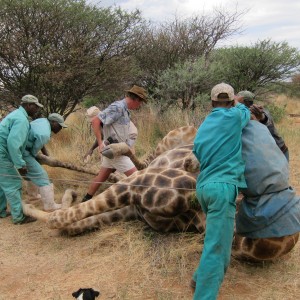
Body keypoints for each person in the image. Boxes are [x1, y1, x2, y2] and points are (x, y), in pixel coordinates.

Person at [192, 83, 250, 299]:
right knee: (217, 248)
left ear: (212, 102)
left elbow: (197, 151)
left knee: (218, 243)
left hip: (204, 188)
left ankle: (198, 278)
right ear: (231, 101)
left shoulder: (204, 125)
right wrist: (238, 103)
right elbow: (245, 111)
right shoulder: (235, 116)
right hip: (223, 189)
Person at [82, 85, 147, 202]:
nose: (140, 105)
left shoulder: (125, 110)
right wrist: (100, 143)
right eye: (140, 102)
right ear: (136, 99)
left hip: (114, 150)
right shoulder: (118, 107)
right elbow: (96, 121)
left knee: (101, 177)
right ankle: (140, 204)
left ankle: (85, 200)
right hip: (115, 151)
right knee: (138, 179)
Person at [0, 95, 43, 224]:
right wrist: (20, 164)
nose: (36, 110)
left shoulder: (17, 115)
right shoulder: (21, 119)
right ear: (29, 105)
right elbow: (13, 143)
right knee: (13, 184)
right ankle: (19, 217)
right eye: (35, 107)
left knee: (2, 183)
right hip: (1, 154)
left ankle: (1, 211)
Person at [24, 113, 68, 211]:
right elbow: (34, 152)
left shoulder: (42, 121)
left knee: (30, 172)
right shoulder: (44, 133)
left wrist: (47, 155)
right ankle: (49, 205)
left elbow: (39, 142)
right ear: (53, 122)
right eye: (59, 125)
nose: (60, 128)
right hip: (24, 150)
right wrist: (44, 159)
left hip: (21, 146)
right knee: (41, 175)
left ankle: (33, 196)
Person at [236, 91, 289, 161]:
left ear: (243, 100)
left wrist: (261, 117)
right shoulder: (243, 113)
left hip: (279, 151)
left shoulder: (259, 111)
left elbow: (266, 121)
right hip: (267, 153)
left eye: (237, 98)